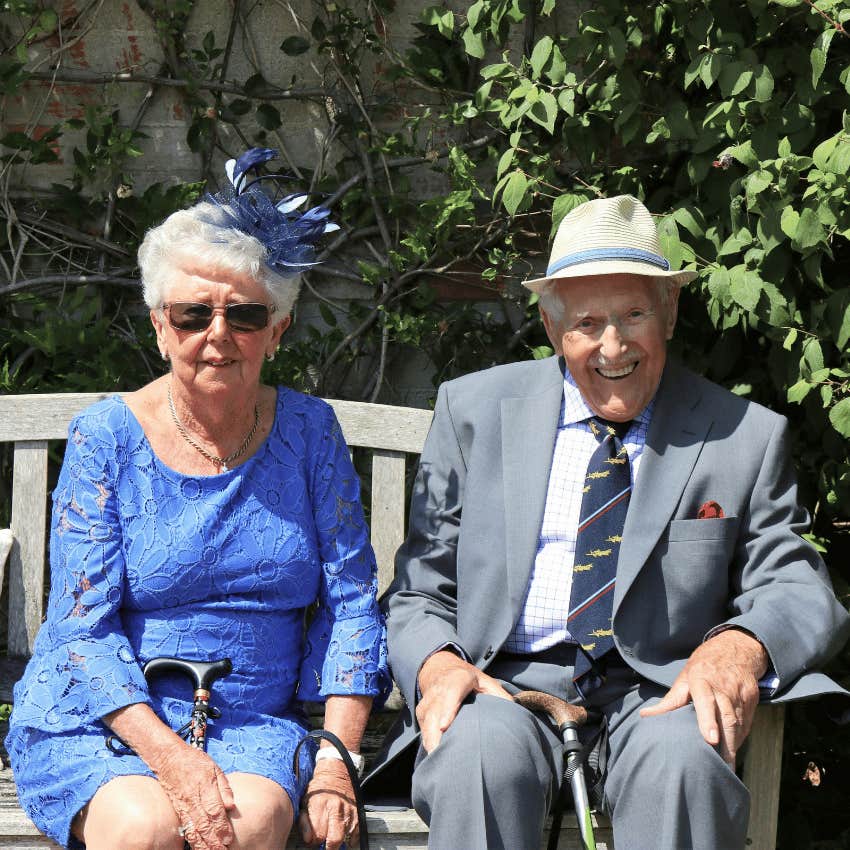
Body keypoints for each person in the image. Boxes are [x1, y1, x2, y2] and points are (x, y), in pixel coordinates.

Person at [370, 194, 850, 849]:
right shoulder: (475, 411)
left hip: (660, 694)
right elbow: (421, 585)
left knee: (685, 762)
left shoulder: (740, 436)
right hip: (508, 688)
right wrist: (437, 666)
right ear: (550, 324)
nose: (613, 346)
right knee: (475, 754)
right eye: (589, 322)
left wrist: (739, 647)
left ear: (670, 313)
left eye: (633, 316)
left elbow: (796, 586)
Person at [6, 148, 388, 850]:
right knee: (143, 826)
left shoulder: (310, 432)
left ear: (276, 332)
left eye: (243, 315)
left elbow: (352, 603)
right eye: (191, 314)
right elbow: (80, 632)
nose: (217, 335)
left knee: (253, 823)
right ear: (159, 327)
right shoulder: (106, 439)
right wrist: (172, 759)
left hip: (250, 722)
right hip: (108, 719)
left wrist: (336, 758)